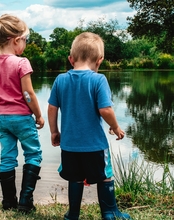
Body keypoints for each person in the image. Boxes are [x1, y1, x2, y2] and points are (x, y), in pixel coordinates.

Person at [47, 32, 131, 220]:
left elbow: (52, 108)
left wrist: (54, 131)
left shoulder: (60, 80)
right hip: (94, 145)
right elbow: (106, 110)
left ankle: (73, 214)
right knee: (104, 176)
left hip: (69, 145)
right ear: (100, 60)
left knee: (75, 178)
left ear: (71, 59)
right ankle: (109, 213)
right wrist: (115, 127)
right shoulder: (98, 80)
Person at [0, 14, 44, 213]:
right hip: (22, 118)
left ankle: (8, 202)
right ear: (16, 40)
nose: (25, 44)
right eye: (25, 40)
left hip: (2, 120)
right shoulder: (21, 63)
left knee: (7, 157)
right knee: (33, 154)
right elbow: (28, 93)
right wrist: (39, 115)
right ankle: (26, 202)